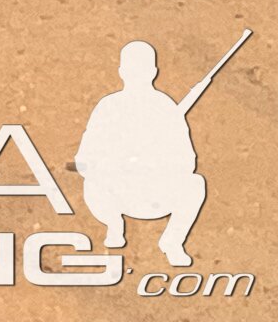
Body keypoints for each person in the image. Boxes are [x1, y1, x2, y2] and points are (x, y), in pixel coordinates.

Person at [74, 40, 209, 265]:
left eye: (141, 70)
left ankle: (173, 241)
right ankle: (114, 225)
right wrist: (115, 163)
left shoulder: (166, 108)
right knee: (92, 182)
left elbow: (188, 162)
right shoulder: (108, 107)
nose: (137, 75)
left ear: (153, 72)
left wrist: (156, 163)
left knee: (195, 184)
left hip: (155, 194)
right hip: (115, 194)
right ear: (122, 72)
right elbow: (83, 160)